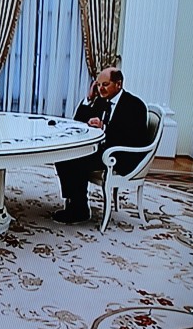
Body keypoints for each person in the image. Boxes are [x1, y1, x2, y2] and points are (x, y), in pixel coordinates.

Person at [53, 67, 148, 224]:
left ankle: (79, 209)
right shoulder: (102, 100)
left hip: (122, 155)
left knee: (76, 161)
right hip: (104, 150)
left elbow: (132, 137)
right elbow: (78, 120)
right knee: (64, 156)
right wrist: (89, 99)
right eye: (97, 85)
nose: (100, 89)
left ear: (118, 84)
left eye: (105, 84)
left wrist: (104, 127)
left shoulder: (134, 105)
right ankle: (74, 202)